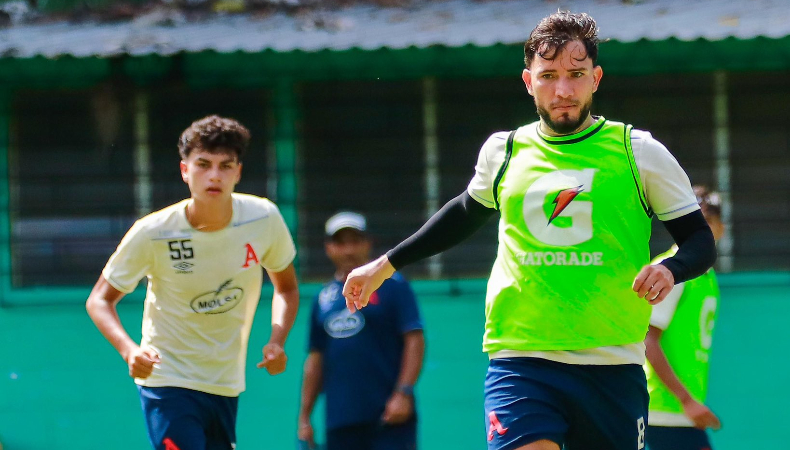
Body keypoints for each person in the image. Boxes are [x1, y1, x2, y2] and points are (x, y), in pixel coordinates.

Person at [342, 11, 717, 450]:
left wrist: (672, 268)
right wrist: (385, 265)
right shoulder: (504, 151)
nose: (563, 90)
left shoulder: (640, 153)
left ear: (596, 78)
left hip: (613, 362)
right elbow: (464, 211)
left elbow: (699, 241)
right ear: (528, 81)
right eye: (549, 76)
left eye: (576, 75)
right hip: (522, 360)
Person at [86, 115, 300, 450]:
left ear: (238, 173)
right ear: (185, 170)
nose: (214, 175)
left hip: (225, 384)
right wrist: (130, 351)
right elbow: (99, 299)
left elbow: (286, 288)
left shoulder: (264, 218)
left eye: (225, 166)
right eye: (203, 164)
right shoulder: (153, 232)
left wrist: (278, 339)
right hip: (167, 379)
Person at [298, 211, 425, 450]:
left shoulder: (393, 285)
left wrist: (403, 392)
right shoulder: (322, 299)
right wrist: (305, 417)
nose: (348, 250)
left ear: (368, 243)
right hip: (341, 423)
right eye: (340, 243)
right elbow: (315, 359)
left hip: (389, 419)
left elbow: (414, 339)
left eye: (355, 241)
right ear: (328, 248)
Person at [645, 186, 724, 450]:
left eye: (709, 222)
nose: (704, 229)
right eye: (697, 221)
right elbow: (648, 340)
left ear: (720, 228)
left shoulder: (706, 276)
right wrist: (686, 400)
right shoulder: (672, 270)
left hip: (681, 413)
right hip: (661, 411)